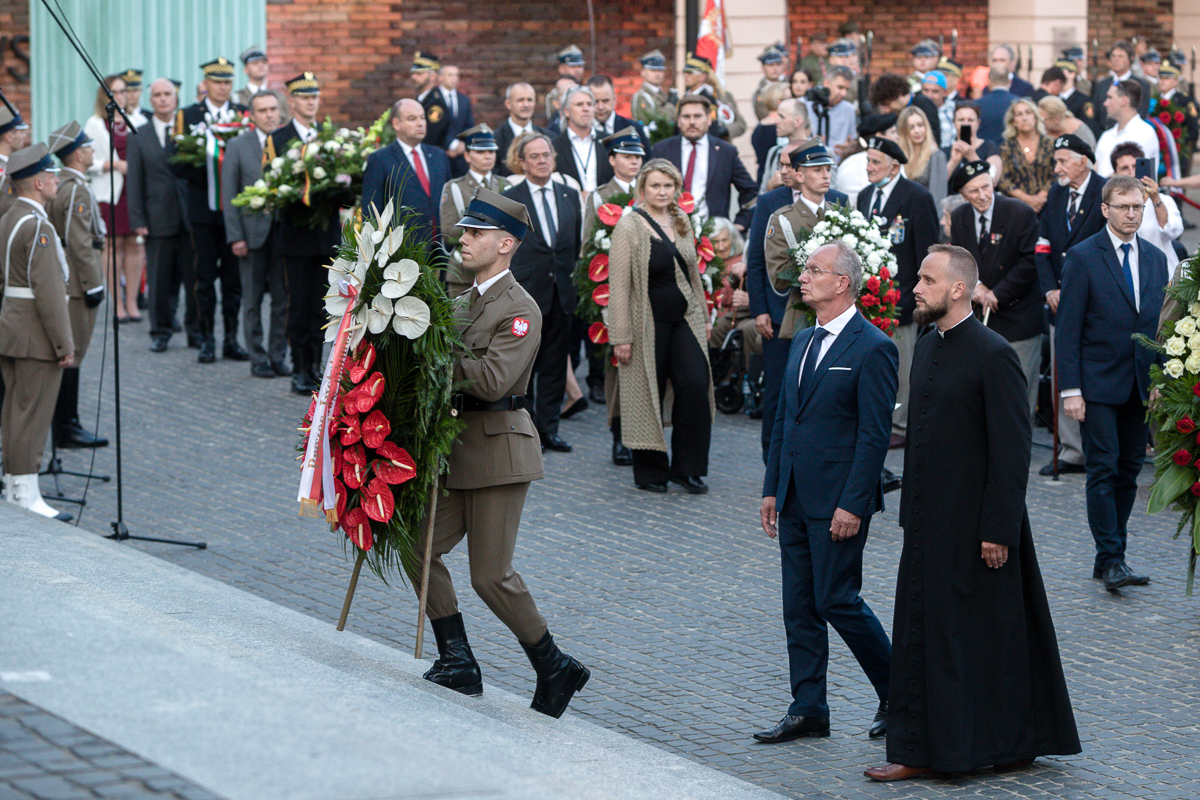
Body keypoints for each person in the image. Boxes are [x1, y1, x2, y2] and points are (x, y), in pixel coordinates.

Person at [865, 244, 1080, 782]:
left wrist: (998, 529)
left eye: (927, 280)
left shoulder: (994, 354)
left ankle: (1005, 742)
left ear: (958, 289)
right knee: (924, 637)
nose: (915, 288)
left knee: (986, 640)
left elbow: (1011, 450)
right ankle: (919, 748)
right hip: (928, 526)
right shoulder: (928, 346)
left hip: (980, 528)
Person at [416, 187, 590, 719]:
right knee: (416, 544)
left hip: (498, 453)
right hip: (458, 449)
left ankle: (554, 664)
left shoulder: (520, 308)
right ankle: (458, 659)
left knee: (490, 576)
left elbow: (493, 381)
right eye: (464, 231)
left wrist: (432, 355)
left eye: (476, 233)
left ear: (506, 244)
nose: (463, 240)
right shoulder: (460, 302)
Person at [756, 239, 896, 745]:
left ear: (842, 283)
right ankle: (808, 708)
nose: (804, 277)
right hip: (794, 494)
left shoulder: (874, 347)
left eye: (814, 270)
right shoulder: (801, 340)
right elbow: (784, 419)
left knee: (836, 600)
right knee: (798, 607)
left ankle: (900, 692)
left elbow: (874, 436)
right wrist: (772, 488)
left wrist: (853, 504)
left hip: (838, 502)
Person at [1056, 175, 1168, 591]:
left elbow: (1161, 327)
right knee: (1102, 470)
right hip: (1096, 384)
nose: (1132, 214)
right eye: (1123, 207)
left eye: (1138, 207)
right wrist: (1071, 390)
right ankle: (1112, 558)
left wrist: (1160, 379)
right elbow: (1068, 329)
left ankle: (1109, 557)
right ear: (1105, 209)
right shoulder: (1083, 256)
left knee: (1128, 471)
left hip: (1140, 385)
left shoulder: (1156, 258)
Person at [608, 158, 713, 493]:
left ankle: (687, 468)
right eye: (655, 185)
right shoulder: (628, 227)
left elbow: (693, 273)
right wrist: (621, 336)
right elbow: (618, 287)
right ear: (643, 188)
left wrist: (704, 317)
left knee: (695, 384)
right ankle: (651, 471)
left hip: (685, 318)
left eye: (668, 186)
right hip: (645, 322)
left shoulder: (681, 220)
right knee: (645, 392)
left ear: (676, 188)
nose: (662, 192)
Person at [753, 140, 850, 460]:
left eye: (827, 170)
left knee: (832, 391)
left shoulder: (841, 208)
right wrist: (822, 275)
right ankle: (776, 461)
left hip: (837, 315)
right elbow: (775, 271)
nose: (825, 176)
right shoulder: (782, 217)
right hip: (796, 316)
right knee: (784, 391)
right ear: (798, 175)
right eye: (817, 170)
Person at [0, 144, 74, 522]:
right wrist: (64, 343)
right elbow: (49, 293)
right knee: (32, 415)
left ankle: (15, 485)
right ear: (39, 182)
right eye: (52, 176)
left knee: (16, 412)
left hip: (13, 326)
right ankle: (25, 495)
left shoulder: (10, 216)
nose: (57, 181)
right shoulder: (38, 226)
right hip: (34, 333)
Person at [857, 136, 939, 449]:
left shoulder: (916, 196)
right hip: (869, 298)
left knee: (901, 364)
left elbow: (927, 251)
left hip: (901, 297)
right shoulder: (865, 195)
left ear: (894, 167)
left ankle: (901, 425)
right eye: (867, 160)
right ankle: (875, 418)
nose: (869, 167)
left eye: (875, 162)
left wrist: (922, 295)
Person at [502, 133, 582, 453]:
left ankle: (550, 430)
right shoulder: (511, 199)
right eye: (534, 156)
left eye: (546, 154)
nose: (542, 161)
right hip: (526, 294)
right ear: (522, 162)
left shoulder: (569, 195)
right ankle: (527, 430)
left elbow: (574, 244)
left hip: (561, 293)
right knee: (524, 366)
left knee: (554, 366)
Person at [270, 72, 347, 394]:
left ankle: (316, 366)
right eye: (304, 97)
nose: (311, 102)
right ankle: (299, 367)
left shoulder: (330, 137)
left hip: (325, 235)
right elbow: (272, 186)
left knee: (322, 306)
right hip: (296, 236)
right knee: (298, 305)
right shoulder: (278, 139)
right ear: (292, 102)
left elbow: (345, 185)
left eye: (314, 96)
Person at [1035, 133, 1106, 476]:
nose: (1057, 168)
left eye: (1063, 161)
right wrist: (1049, 288)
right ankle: (1071, 449)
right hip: (1058, 302)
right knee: (1063, 371)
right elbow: (1043, 245)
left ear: (1083, 161)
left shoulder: (1104, 191)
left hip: (1096, 301)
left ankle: (1099, 447)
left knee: (1094, 372)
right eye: (1056, 161)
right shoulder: (1056, 193)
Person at [948, 161, 1042, 415]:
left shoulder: (1020, 212)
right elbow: (959, 259)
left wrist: (997, 294)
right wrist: (976, 287)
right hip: (980, 321)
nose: (982, 195)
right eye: (974, 191)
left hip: (1018, 319)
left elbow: (1031, 261)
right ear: (963, 194)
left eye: (986, 187)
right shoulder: (960, 217)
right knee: (983, 395)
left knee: (1018, 395)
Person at [171, 58, 249, 363]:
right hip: (202, 210)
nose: (222, 87)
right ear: (206, 83)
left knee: (233, 280)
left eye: (227, 82)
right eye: (217, 82)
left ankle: (231, 338)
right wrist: (211, 171)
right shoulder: (188, 115)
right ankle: (206, 338)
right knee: (203, 278)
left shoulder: (242, 114)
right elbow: (175, 161)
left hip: (234, 212)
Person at [46, 121, 107, 450]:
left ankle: (66, 424)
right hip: (76, 282)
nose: (92, 150)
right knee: (74, 353)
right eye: (87, 147)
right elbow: (79, 241)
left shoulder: (67, 184)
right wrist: (92, 284)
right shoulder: (76, 188)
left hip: (69, 277)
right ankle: (66, 426)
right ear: (78, 154)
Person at [587, 128, 645, 464]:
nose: (634, 162)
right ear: (612, 159)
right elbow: (588, 248)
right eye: (626, 156)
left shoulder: (650, 191)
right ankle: (619, 434)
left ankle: (643, 435)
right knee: (617, 365)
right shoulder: (599, 197)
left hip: (648, 291)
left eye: (638, 156)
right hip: (611, 289)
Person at [127, 77, 198, 352]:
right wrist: (138, 220)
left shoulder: (191, 131)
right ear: (151, 100)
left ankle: (196, 332)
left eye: (167, 94)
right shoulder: (138, 135)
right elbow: (135, 181)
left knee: (194, 279)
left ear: (176, 97)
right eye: (157, 95)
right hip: (157, 217)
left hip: (190, 216)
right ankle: (160, 331)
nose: (163, 99)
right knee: (159, 279)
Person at [222, 90, 286, 380]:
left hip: (283, 234)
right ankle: (257, 358)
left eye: (273, 109)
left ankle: (278, 356)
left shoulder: (288, 142)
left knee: (282, 300)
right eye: (263, 110)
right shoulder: (238, 145)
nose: (269, 115)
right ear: (252, 115)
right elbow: (229, 194)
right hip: (250, 234)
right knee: (252, 299)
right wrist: (235, 236)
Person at [651, 94, 757, 230]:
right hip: (669, 231)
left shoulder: (725, 152)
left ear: (708, 119)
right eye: (686, 117)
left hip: (713, 233)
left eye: (697, 116)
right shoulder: (662, 150)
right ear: (678, 121)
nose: (692, 122)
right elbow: (647, 189)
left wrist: (740, 223)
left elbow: (750, 191)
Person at [86, 74, 142, 324]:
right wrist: (114, 165)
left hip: (135, 190)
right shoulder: (95, 123)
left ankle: (132, 301)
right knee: (113, 245)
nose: (119, 96)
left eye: (122, 91)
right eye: (114, 92)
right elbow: (88, 161)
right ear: (104, 96)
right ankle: (117, 303)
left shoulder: (138, 120)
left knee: (135, 244)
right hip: (110, 192)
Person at [362, 98, 450, 244]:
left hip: (441, 246)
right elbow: (371, 211)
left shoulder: (439, 155)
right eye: (412, 119)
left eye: (422, 118)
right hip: (402, 248)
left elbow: (449, 200)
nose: (420, 123)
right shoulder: (380, 159)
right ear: (396, 124)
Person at [440, 124, 509, 298]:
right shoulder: (454, 188)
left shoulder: (507, 186)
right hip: (464, 274)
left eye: (491, 151)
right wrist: (483, 228)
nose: (487, 156)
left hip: (501, 272)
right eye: (480, 152)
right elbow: (448, 233)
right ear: (467, 155)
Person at [1110, 142, 1183, 274]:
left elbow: (1173, 232)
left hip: (1162, 273)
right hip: (1126, 274)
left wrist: (1156, 199)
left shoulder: (1164, 200)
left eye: (1135, 166)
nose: (1131, 172)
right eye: (1125, 168)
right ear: (1115, 174)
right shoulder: (1111, 206)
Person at [995, 97, 1054, 213]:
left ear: (1035, 117)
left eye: (1028, 112)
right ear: (1013, 121)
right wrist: (1028, 200)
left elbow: (1057, 174)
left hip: (1048, 204)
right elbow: (1004, 180)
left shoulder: (1050, 143)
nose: (1024, 118)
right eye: (1019, 114)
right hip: (1017, 207)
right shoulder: (1006, 146)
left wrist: (1039, 199)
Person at [1095, 80, 1159, 178]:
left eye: (1110, 98)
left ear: (1123, 100)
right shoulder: (1106, 136)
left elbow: (1138, 176)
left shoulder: (1145, 133)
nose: (1105, 103)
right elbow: (1095, 170)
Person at [552, 86, 611, 194]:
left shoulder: (609, 141)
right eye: (579, 104)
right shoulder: (554, 146)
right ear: (566, 112)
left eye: (589, 104)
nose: (586, 109)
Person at [835, 112, 898, 206]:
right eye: (893, 132)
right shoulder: (856, 164)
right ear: (879, 137)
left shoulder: (856, 160)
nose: (897, 137)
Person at [681, 53, 746, 141]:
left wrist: (726, 130)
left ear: (702, 76)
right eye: (685, 72)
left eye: (690, 72)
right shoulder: (683, 98)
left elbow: (740, 124)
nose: (686, 75)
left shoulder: (720, 96)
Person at [1091, 42, 1153, 134]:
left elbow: (1141, 115)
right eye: (1113, 56)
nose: (1115, 60)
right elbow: (1095, 115)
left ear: (1131, 59)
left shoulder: (1142, 85)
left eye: (1120, 56)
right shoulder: (1102, 85)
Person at [494, 83, 549, 178]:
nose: (526, 105)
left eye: (530, 100)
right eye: (520, 100)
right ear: (508, 104)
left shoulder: (549, 137)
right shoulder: (496, 139)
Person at [897, 106, 948, 207]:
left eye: (920, 125)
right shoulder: (899, 156)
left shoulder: (936, 156)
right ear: (904, 131)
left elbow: (938, 198)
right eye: (911, 127)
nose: (917, 131)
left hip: (925, 211)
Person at [805, 66, 856, 162]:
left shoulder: (849, 109)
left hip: (837, 163)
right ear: (826, 83)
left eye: (847, 89)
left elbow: (853, 139)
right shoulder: (807, 105)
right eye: (840, 87)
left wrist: (849, 149)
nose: (844, 93)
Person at [759, 99, 811, 193]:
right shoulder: (774, 152)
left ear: (797, 121)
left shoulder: (821, 152)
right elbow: (761, 196)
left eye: (782, 117)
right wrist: (770, 186)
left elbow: (831, 197)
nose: (776, 121)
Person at [943, 101, 1002, 180]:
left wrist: (972, 157)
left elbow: (993, 180)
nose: (966, 124)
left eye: (970, 120)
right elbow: (938, 183)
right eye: (961, 120)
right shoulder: (946, 151)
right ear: (954, 123)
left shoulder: (989, 147)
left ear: (978, 123)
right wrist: (954, 161)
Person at [410, 51, 452, 155]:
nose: (413, 77)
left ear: (433, 76)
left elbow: (429, 137)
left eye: (419, 73)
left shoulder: (436, 103)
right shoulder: (420, 99)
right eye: (413, 73)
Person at [234, 46, 288, 126]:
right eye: (255, 63)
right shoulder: (236, 98)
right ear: (245, 70)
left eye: (264, 62)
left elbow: (286, 122)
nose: (260, 65)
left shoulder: (279, 96)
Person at [439, 64, 473, 178]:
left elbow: (469, 125)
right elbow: (433, 128)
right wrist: (451, 145)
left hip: (460, 157)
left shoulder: (464, 100)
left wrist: (462, 145)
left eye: (456, 75)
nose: (454, 78)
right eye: (450, 75)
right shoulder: (433, 98)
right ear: (440, 77)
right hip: (440, 153)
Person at [751, 83, 789, 184]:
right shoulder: (782, 127)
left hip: (762, 177)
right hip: (778, 180)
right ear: (780, 102)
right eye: (788, 99)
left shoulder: (758, 128)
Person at [0, 106, 32, 219]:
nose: (25, 136)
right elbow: (6, 211)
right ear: (9, 137)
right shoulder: (5, 171)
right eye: (21, 132)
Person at [631, 50, 676, 125]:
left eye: (660, 70)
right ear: (643, 72)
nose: (657, 74)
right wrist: (671, 105)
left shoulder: (663, 94)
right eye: (653, 70)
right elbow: (660, 120)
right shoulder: (642, 96)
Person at [976, 67, 1018, 144]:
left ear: (989, 82)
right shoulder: (1018, 103)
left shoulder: (977, 104)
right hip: (1012, 149)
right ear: (1009, 82)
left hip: (984, 150)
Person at [545, 44, 587, 121]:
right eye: (572, 66)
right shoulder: (554, 95)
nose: (577, 70)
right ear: (561, 68)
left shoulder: (586, 90)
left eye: (580, 66)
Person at [915, 71, 950, 150]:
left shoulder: (953, 109)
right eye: (925, 90)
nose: (929, 95)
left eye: (935, 91)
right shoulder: (915, 110)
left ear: (945, 92)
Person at [753, 44, 789, 121]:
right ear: (763, 68)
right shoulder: (760, 92)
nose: (775, 68)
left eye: (778, 64)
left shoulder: (789, 86)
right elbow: (763, 115)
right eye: (771, 65)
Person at [1055, 58, 1095, 124]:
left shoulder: (1083, 101)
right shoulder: (1054, 98)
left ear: (1072, 74)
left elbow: (1089, 125)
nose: (1057, 77)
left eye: (1061, 73)